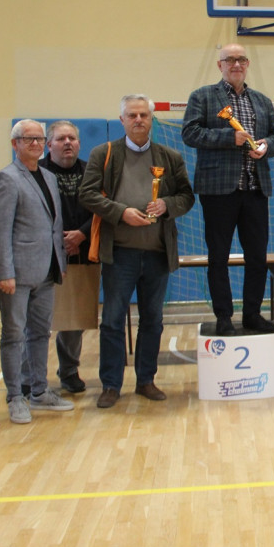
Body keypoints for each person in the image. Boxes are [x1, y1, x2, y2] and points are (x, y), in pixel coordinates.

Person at [80, 95, 194, 409]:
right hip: (120, 255)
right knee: (113, 320)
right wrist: (120, 213)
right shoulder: (103, 154)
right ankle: (111, 384)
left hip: (157, 253)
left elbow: (187, 196)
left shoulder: (169, 157)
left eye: (144, 115)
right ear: (122, 120)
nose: (139, 120)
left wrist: (167, 205)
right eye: (132, 115)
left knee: (153, 321)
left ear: (152, 119)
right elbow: (87, 194)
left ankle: (146, 380)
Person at [182, 44, 274, 335]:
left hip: (255, 188)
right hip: (218, 190)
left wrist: (265, 147)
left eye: (241, 59)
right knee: (219, 257)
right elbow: (189, 133)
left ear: (247, 63)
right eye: (230, 60)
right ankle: (224, 316)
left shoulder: (262, 101)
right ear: (220, 65)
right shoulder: (202, 96)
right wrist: (230, 138)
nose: (236, 64)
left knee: (257, 256)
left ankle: (252, 314)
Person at [0, 120, 71, 424]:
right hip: (17, 274)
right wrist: (5, 272)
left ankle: (40, 391)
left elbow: (54, 224)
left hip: (46, 270)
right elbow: (0, 231)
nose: (36, 144)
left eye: (39, 138)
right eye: (29, 139)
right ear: (15, 144)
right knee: (13, 336)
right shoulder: (7, 179)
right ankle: (15, 397)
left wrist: (59, 261)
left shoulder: (48, 177)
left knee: (40, 333)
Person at [40, 120, 94, 393]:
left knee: (74, 321)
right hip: (45, 258)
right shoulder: (36, 173)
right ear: (49, 145)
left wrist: (81, 235)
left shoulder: (91, 172)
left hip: (82, 254)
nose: (68, 143)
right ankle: (32, 378)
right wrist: (59, 241)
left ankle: (69, 371)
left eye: (72, 138)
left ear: (79, 143)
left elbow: (101, 208)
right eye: (61, 139)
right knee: (38, 321)